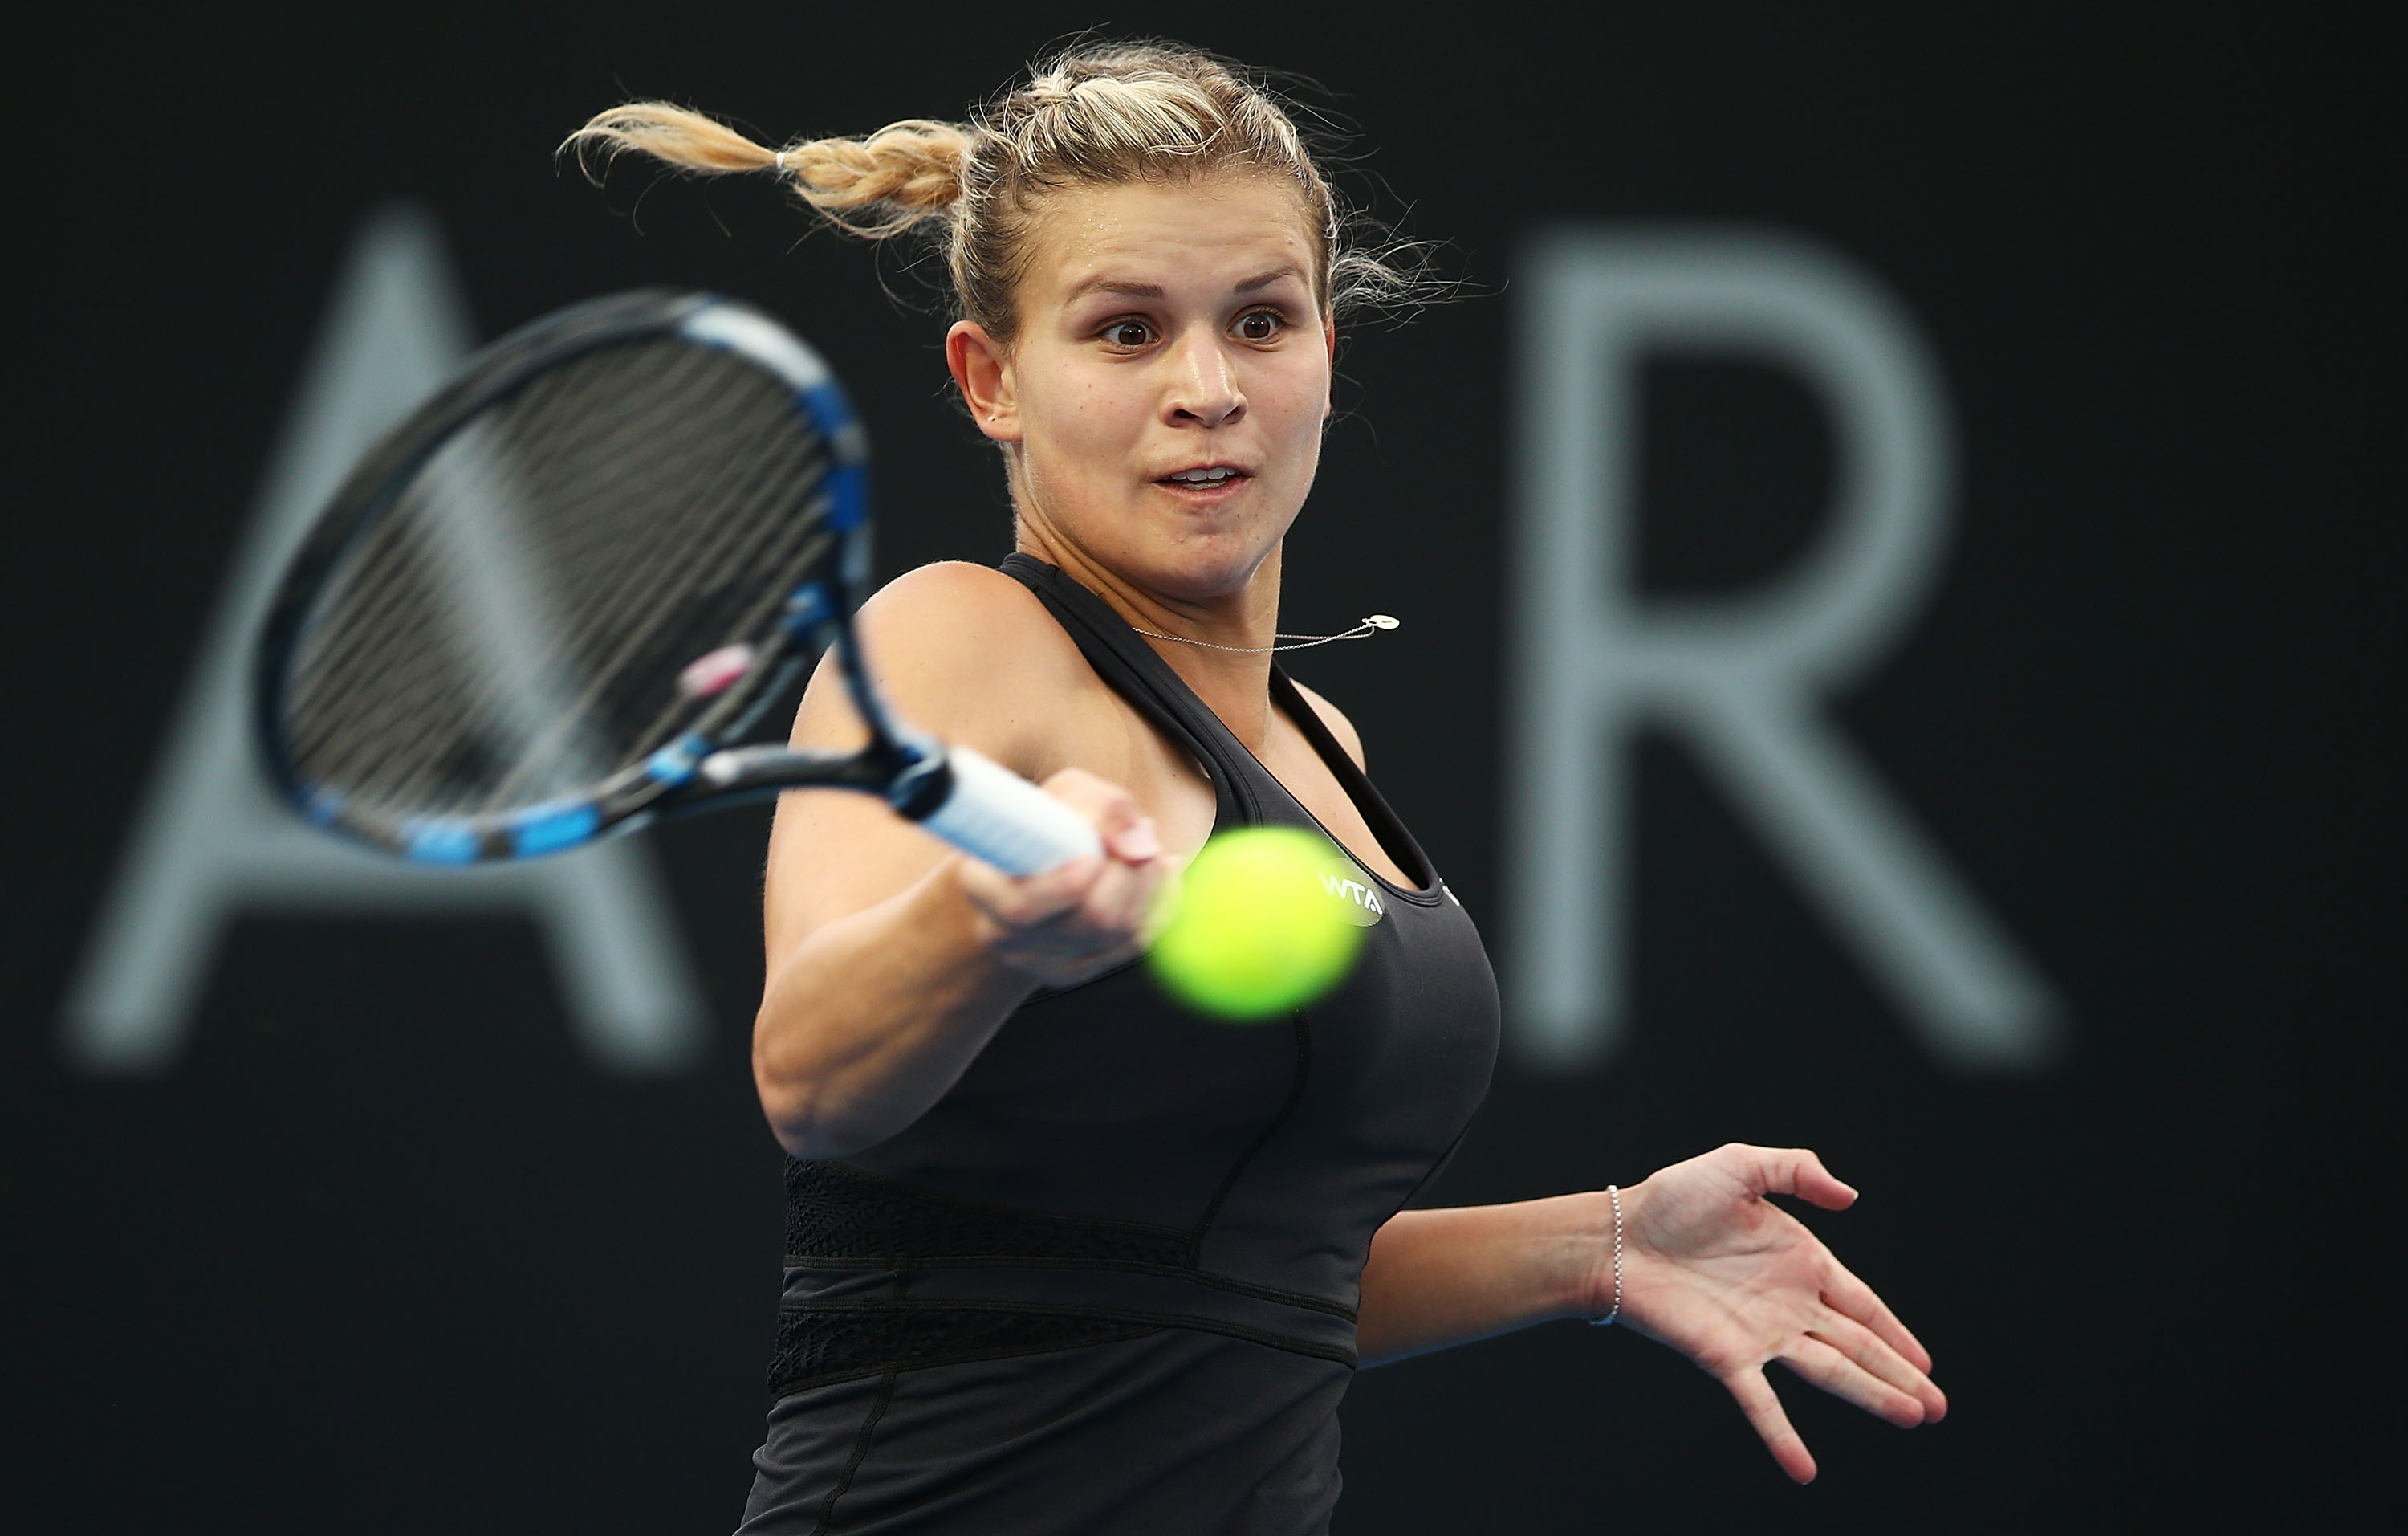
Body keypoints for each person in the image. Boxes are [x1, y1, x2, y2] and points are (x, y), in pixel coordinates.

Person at [572, 39, 1946, 1535]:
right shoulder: (960, 638)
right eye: (1125, 331)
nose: (1207, 389)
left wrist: (1607, 1246)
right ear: (991, 380)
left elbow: (1230, 1278)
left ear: (1328, 351)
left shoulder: (1325, 747)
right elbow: (815, 1078)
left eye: (1261, 320)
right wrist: (989, 926)